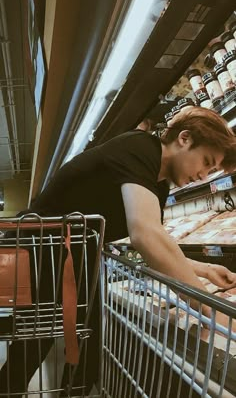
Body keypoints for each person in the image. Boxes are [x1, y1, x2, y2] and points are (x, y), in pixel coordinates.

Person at [0, 106, 236, 396]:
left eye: (211, 171)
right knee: (32, 348)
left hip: (72, 257)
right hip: (41, 252)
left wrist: (205, 269)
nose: (203, 175)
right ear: (184, 139)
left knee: (88, 346)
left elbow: (156, 241)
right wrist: (209, 309)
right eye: (206, 162)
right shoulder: (140, 147)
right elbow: (145, 235)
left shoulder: (157, 183)